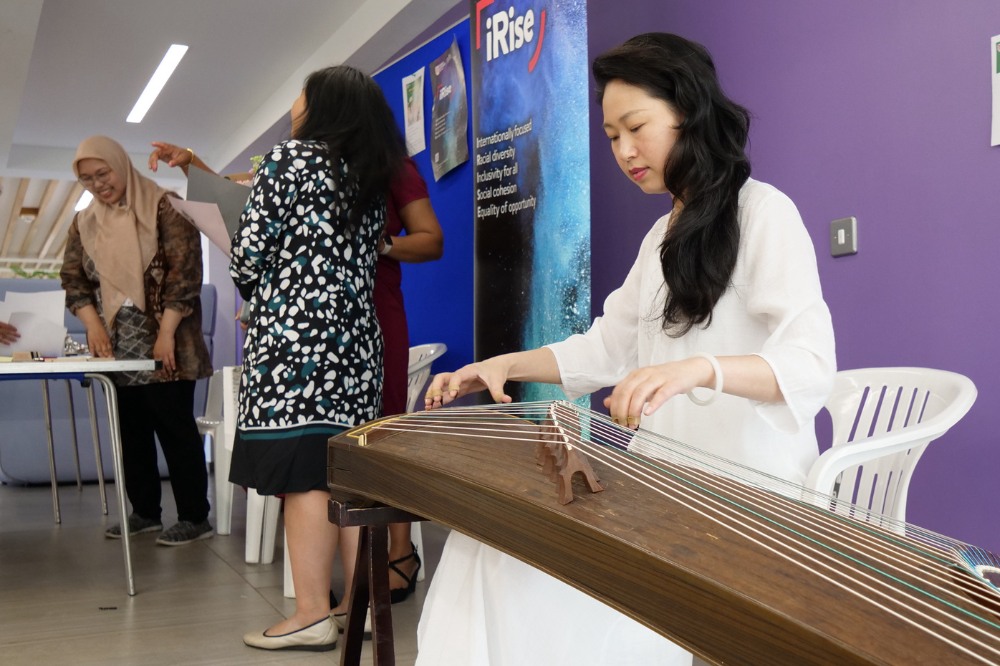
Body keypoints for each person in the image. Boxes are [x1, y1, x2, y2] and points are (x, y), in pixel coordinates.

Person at [418, 33, 836, 665]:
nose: (624, 151)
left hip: (746, 489)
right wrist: (502, 365)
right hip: (662, 481)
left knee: (550, 590)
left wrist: (699, 370)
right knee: (487, 546)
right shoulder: (660, 237)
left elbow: (810, 365)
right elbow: (603, 349)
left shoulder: (766, 214)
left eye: (635, 127)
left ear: (689, 114)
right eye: (612, 136)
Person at [149, 140, 444, 608]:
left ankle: (399, 552)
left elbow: (431, 238)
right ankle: (322, 587)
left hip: (370, 306)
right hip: (307, 319)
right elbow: (245, 202)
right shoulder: (302, 163)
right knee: (308, 448)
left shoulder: (385, 161)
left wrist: (379, 243)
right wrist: (196, 165)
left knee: (375, 438)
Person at [222, 65, 405, 652]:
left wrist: (265, 294)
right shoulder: (372, 173)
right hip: (357, 341)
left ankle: (310, 613)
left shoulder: (287, 160)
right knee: (348, 472)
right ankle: (360, 608)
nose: (292, 106)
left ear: (321, 106)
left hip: (297, 342)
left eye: (299, 95)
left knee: (305, 472)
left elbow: (248, 256)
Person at [60, 135, 214, 546]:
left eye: (103, 173)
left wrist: (165, 334)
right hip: (116, 346)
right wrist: (92, 324)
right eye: (88, 179)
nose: (98, 185)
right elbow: (73, 278)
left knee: (175, 430)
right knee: (130, 433)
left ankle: (195, 517)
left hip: (169, 342)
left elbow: (185, 275)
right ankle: (145, 513)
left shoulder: (164, 206)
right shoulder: (85, 221)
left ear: (120, 165)